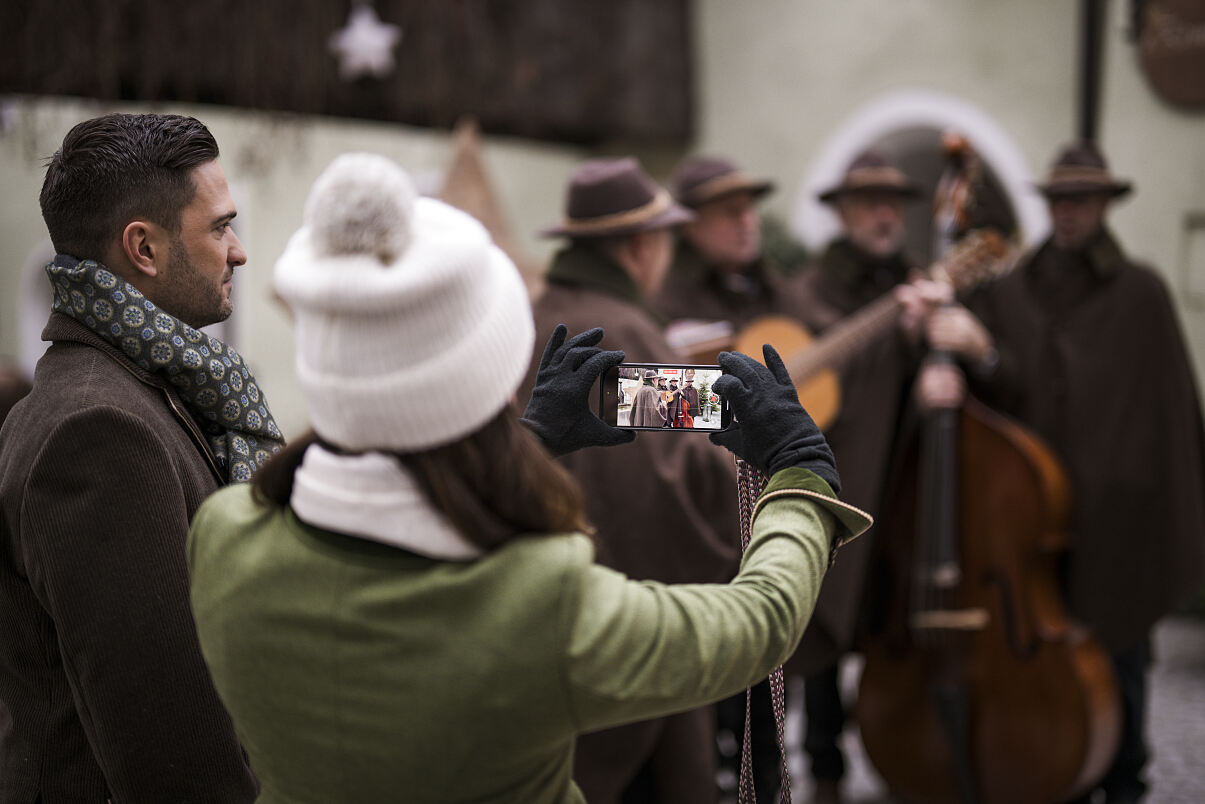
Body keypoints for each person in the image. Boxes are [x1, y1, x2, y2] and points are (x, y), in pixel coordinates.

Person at [184, 151, 873, 804]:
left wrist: (529, 442)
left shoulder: (225, 537)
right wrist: (799, 477)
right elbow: (760, 623)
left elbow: (407, 454)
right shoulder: (540, 603)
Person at [906, 141, 1205, 804]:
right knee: (1039, 673)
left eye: (1081, 200)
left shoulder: (1141, 294)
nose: (1067, 213)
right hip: (1024, 528)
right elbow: (984, 383)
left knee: (1118, 663)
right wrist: (959, 346)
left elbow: (1168, 418)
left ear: (1104, 205)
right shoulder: (1009, 292)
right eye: (1057, 201)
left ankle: (1123, 781)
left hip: (1113, 526)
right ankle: (1052, 775)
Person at [0, 113, 280, 801]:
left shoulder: (148, 391)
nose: (238, 251)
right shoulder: (97, 430)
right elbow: (171, 751)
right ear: (143, 249)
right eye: (219, 226)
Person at [524, 157, 759, 802]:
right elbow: (684, 474)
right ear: (638, 247)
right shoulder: (628, 330)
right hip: (634, 638)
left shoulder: (536, 313)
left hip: (546, 625)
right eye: (664, 238)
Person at [791, 149, 924, 804]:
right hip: (835, 485)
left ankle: (909, 759)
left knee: (900, 623)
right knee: (821, 628)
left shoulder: (918, 285)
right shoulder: (810, 289)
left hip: (904, 487)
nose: (882, 213)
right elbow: (798, 374)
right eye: (868, 201)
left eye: (891, 202)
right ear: (840, 212)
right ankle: (823, 769)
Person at [653, 154, 811, 337]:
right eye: (732, 212)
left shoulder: (776, 288)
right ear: (690, 225)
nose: (748, 223)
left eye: (750, 209)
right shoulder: (667, 301)